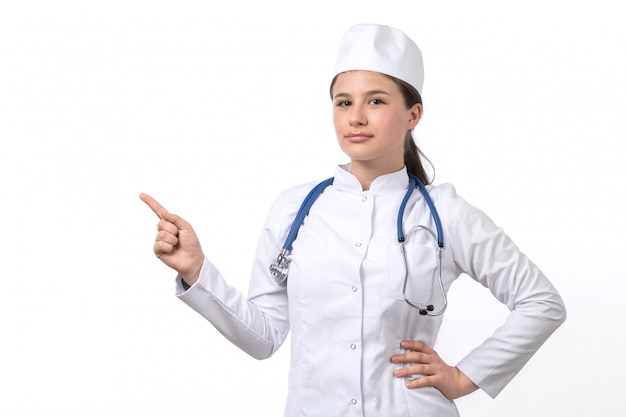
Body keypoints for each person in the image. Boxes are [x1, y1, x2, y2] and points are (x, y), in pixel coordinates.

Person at [140, 23, 566, 417]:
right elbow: (264, 337)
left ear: (413, 115)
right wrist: (197, 273)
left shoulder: (445, 213)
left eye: (376, 101)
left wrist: (464, 376)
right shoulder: (294, 209)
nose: (355, 117)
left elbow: (541, 302)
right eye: (344, 102)